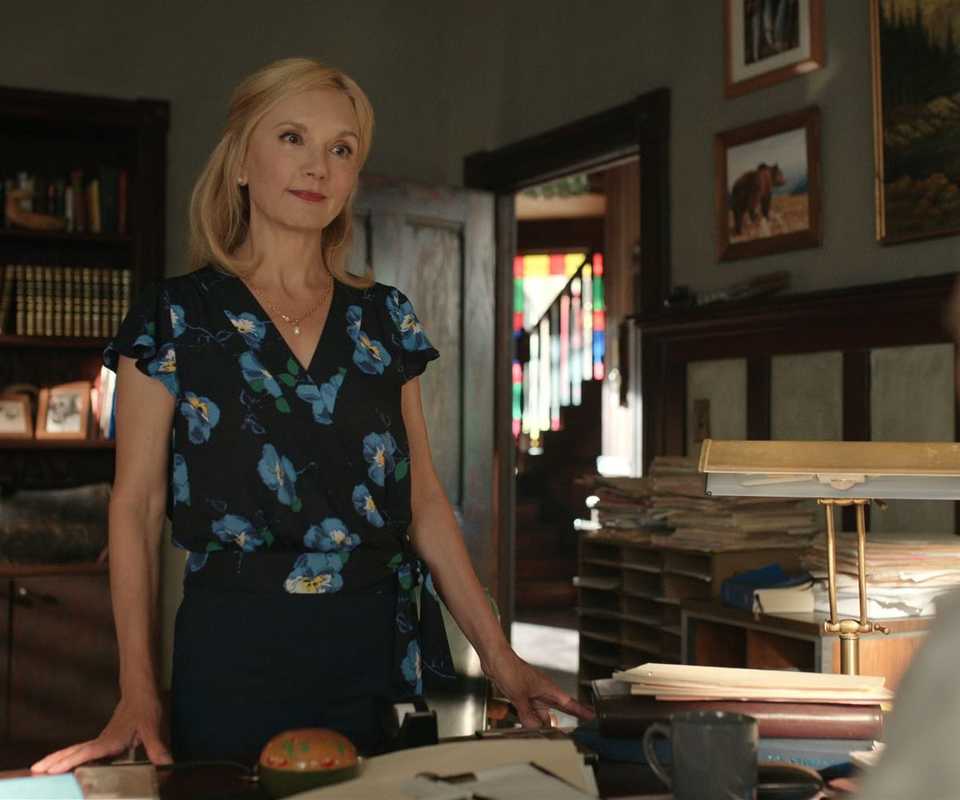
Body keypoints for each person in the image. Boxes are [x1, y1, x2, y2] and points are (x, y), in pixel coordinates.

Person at [31, 57, 592, 773]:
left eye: (342, 148)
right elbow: (135, 507)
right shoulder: (174, 318)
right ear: (240, 159)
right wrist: (137, 690)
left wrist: (503, 659)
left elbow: (424, 503)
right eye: (292, 137)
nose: (318, 167)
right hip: (232, 653)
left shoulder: (384, 319)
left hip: (372, 655)